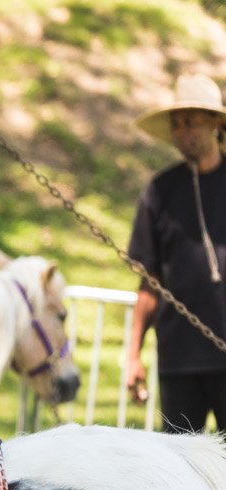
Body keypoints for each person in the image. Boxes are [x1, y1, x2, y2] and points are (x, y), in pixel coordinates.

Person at [125, 73, 226, 433]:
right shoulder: (160, 191)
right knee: (181, 470)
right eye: (176, 124)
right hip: (179, 360)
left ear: (215, 121)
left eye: (192, 121)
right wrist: (133, 355)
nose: (183, 132)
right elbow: (149, 281)